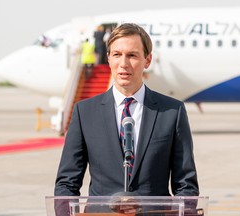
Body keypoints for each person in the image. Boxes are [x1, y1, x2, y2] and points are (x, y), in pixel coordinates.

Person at [54, 23, 199, 198]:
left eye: (132, 55)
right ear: (108, 58)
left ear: (147, 60)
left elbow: (186, 185)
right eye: (117, 55)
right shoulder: (84, 112)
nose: (123, 63)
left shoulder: (172, 112)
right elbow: (67, 183)